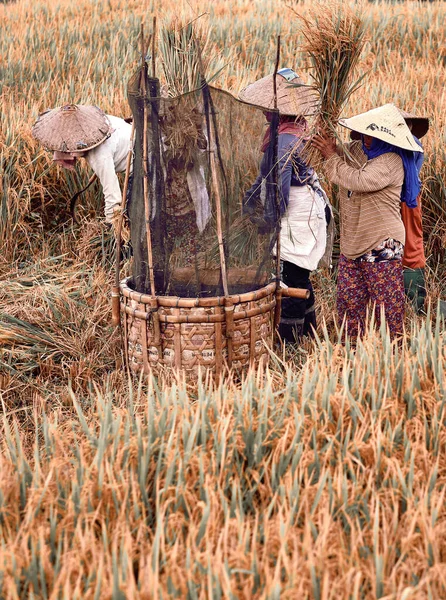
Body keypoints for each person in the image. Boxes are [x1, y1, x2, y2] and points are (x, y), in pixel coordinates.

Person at [312, 103, 424, 339]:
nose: (368, 137)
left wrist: (331, 156)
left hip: (382, 243)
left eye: (374, 133)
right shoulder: (358, 150)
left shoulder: (392, 161)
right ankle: (351, 352)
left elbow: (359, 180)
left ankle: (392, 351)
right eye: (366, 131)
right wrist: (325, 140)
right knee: (349, 302)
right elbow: (337, 155)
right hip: (352, 244)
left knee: (387, 306)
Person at [239, 68, 332, 343]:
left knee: (292, 277)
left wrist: (270, 219)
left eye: (268, 109)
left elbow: (279, 185)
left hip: (298, 210)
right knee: (298, 272)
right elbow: (266, 175)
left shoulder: (285, 140)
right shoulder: (288, 132)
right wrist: (250, 197)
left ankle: (290, 342)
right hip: (301, 205)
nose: (264, 113)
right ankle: (311, 332)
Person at [349, 108, 430, 314]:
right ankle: (409, 304)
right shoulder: (390, 147)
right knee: (410, 245)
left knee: (410, 247)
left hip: (403, 198)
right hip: (403, 197)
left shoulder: (401, 148)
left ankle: (413, 303)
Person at [32, 104, 132, 228]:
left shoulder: (99, 154)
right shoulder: (97, 123)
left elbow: (112, 193)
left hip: (143, 160)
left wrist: (111, 222)